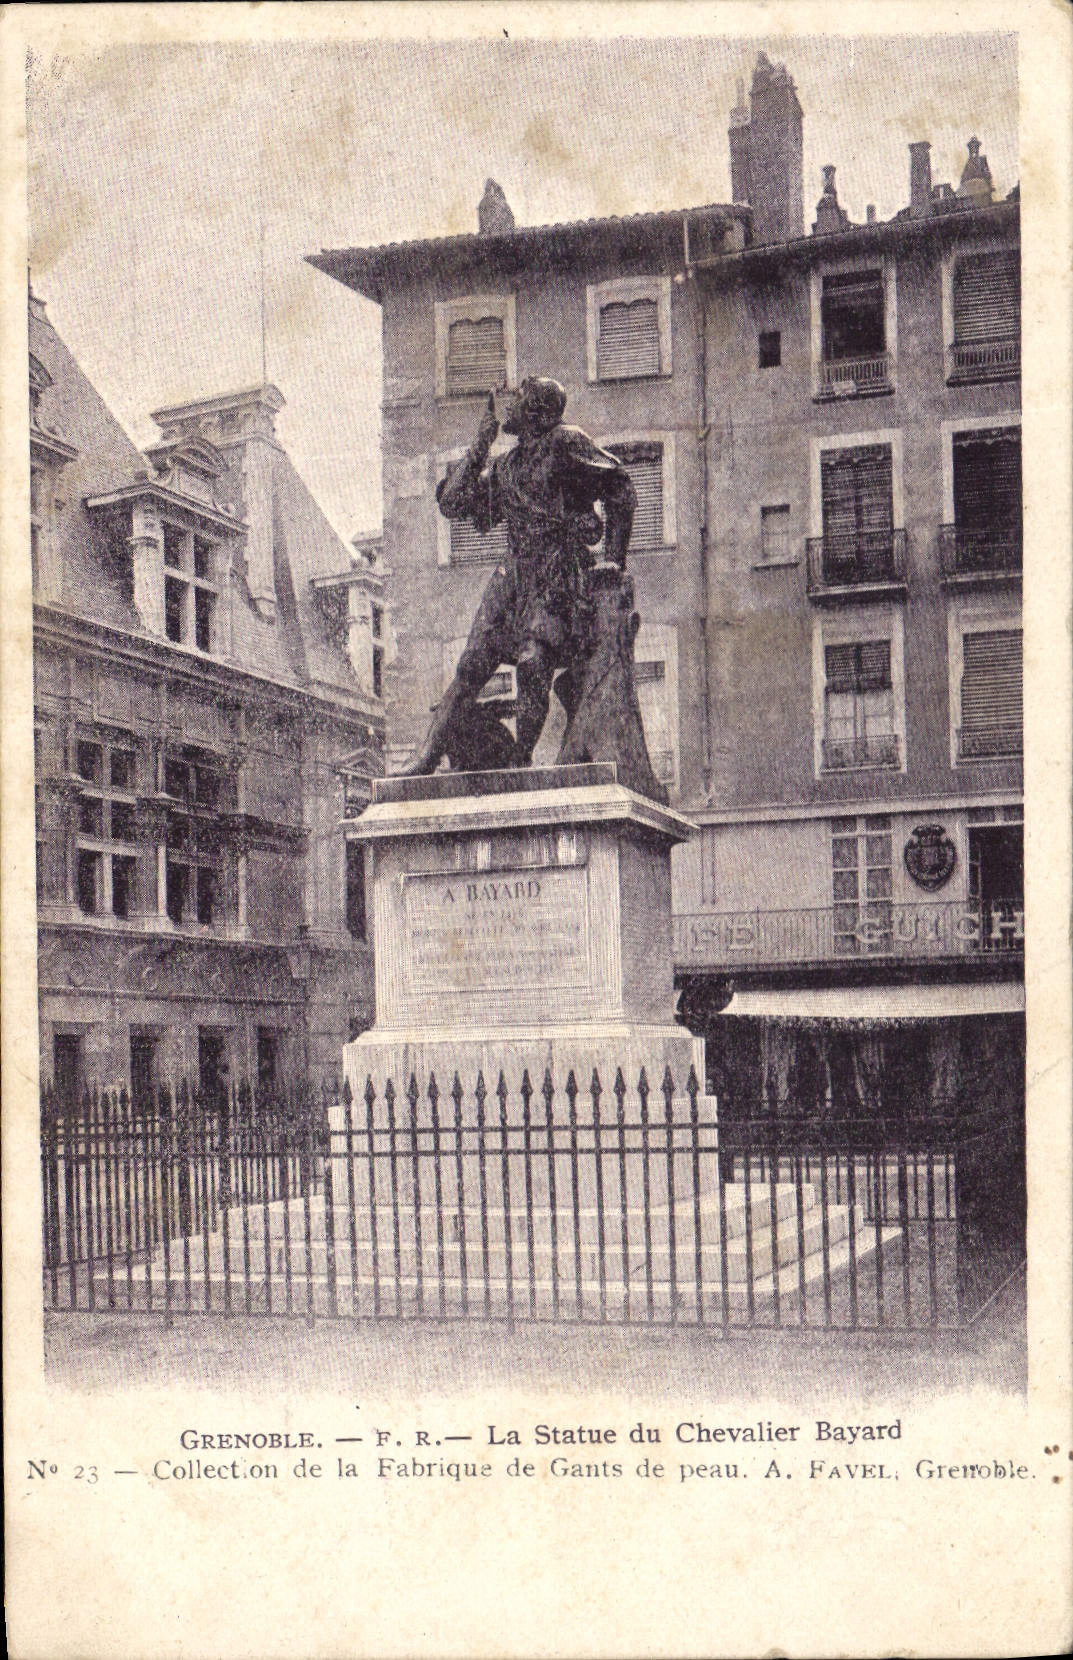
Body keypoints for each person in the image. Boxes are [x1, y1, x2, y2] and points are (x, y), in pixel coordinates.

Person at [402, 376, 637, 775]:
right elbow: (454, 503)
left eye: (519, 398)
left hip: (557, 571)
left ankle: (521, 759)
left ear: (539, 412)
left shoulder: (566, 442)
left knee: (533, 665)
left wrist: (614, 558)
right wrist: (481, 441)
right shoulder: (506, 465)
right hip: (512, 575)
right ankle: (425, 757)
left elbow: (620, 487)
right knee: (471, 664)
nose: (508, 405)